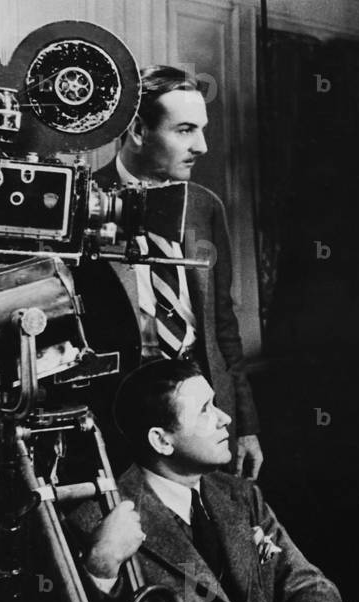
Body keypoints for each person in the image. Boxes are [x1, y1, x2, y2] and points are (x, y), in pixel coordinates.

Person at [67, 358, 345, 602]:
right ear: (162, 440)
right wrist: (101, 566)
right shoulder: (100, 519)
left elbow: (307, 581)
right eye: (204, 410)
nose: (226, 418)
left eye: (216, 404)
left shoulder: (239, 495)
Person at [89, 65, 262, 479]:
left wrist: (245, 426)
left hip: (202, 419)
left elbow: (223, 327)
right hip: (118, 422)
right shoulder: (83, 205)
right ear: (137, 131)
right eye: (184, 130)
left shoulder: (205, 207)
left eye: (202, 129)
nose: (201, 146)